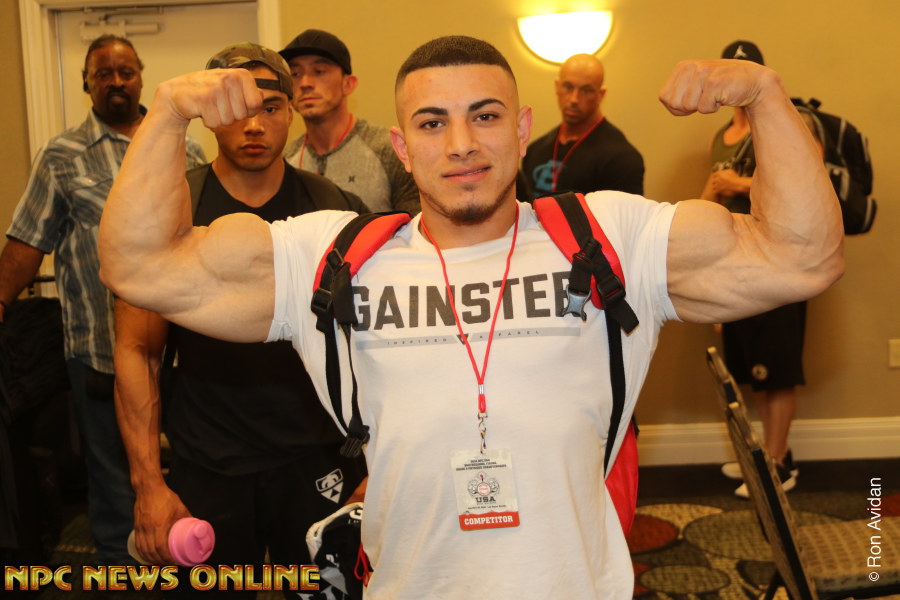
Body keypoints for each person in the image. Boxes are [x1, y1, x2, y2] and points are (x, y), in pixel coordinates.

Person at [98, 36, 843, 598]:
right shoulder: (333, 256)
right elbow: (139, 266)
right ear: (401, 147)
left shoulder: (608, 238)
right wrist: (167, 113)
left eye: (484, 117)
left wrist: (765, 97)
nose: (460, 145)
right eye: (432, 123)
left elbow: (803, 257)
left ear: (521, 129)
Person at [113, 43, 367, 596]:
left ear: (291, 112)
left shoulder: (333, 209)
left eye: (270, 107)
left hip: (315, 457)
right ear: (209, 115)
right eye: (238, 109)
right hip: (210, 461)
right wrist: (148, 484)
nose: (254, 124)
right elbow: (137, 350)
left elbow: (372, 347)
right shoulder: (175, 208)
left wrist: (381, 466)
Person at [0, 34, 205, 565]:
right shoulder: (61, 157)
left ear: (141, 76)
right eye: (103, 74)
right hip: (97, 353)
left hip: (182, 355)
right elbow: (27, 244)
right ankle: (123, 572)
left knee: (192, 472)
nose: (116, 82)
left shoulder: (187, 147)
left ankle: (183, 562)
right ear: (87, 83)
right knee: (114, 482)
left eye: (125, 72)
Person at [700, 40, 810, 498]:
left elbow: (802, 183)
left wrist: (739, 183)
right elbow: (711, 198)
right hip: (736, 263)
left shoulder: (780, 122)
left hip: (780, 261)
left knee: (777, 367)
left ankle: (779, 464)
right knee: (752, 367)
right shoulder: (720, 136)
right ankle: (766, 454)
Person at [280, 29, 420, 214]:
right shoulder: (285, 161)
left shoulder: (389, 150)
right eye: (295, 74)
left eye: (319, 71)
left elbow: (416, 225)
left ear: (348, 84)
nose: (305, 83)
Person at [522, 53, 644, 200]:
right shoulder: (534, 150)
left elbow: (624, 215)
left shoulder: (622, 159)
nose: (574, 99)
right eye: (568, 87)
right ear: (557, 87)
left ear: (601, 95)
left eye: (586, 90)